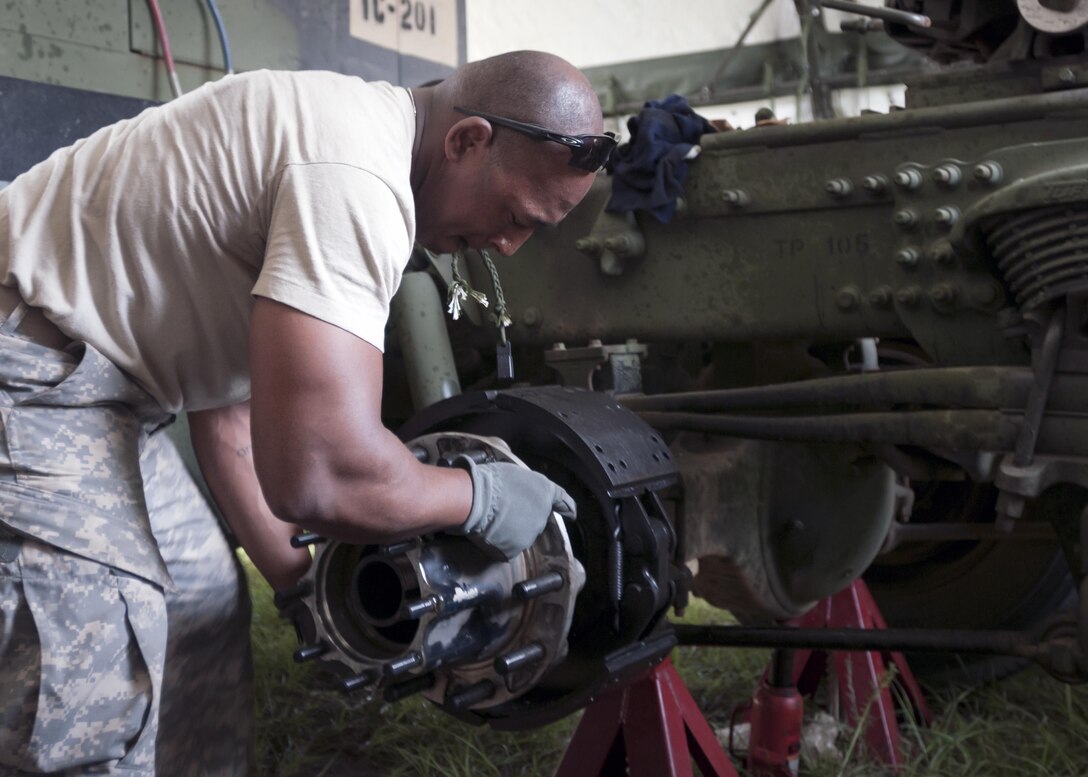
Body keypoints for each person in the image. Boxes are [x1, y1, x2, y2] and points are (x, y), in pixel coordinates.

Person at [0, 49, 613, 775]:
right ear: (467, 140)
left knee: (199, 598)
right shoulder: (355, 182)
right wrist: (479, 497)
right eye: (514, 215)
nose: (510, 245)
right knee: (92, 678)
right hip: (27, 369)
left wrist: (299, 587)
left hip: (98, 383)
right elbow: (320, 473)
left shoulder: (354, 138)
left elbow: (229, 411)